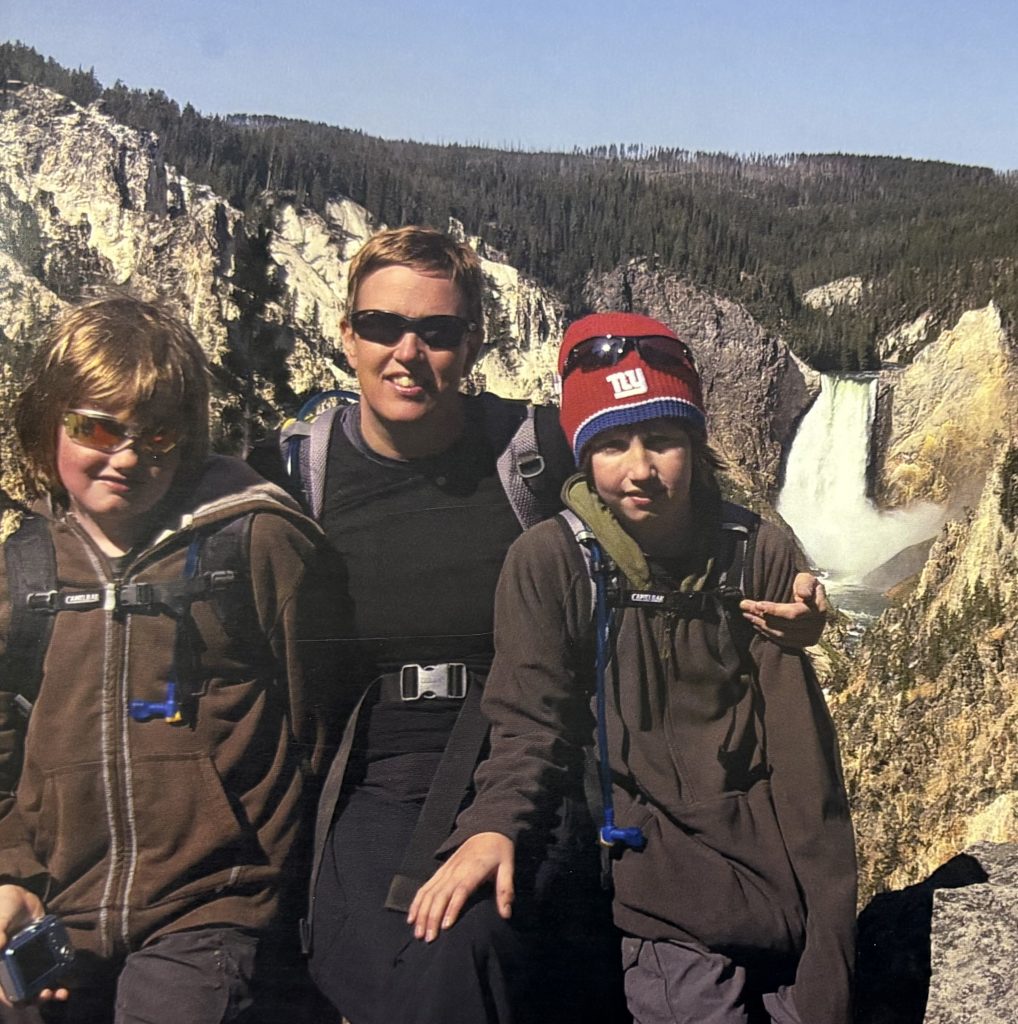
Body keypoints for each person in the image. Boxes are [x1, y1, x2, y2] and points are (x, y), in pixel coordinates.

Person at [296, 227, 831, 1024]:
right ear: (347, 335)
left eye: (438, 332)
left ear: (473, 342)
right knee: (382, 962)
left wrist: (783, 585)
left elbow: (670, 499)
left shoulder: (536, 450)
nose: (408, 351)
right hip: (376, 765)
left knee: (461, 949)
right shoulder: (298, 469)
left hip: (536, 744)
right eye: (382, 326)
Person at [408, 312, 857, 1024]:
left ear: (696, 443)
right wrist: (491, 823)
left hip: (775, 884)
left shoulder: (758, 554)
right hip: (658, 892)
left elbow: (808, 777)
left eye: (663, 440)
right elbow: (528, 722)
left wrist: (833, 947)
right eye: (613, 443)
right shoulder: (551, 562)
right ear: (583, 455)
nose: (641, 469)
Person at [0, 295, 341, 1023]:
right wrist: (8, 875)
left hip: (214, 903)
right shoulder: (22, 575)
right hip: (54, 909)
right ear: (49, 422)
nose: (125, 457)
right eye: (96, 427)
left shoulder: (252, 543)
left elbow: (320, 719)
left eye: (155, 437)